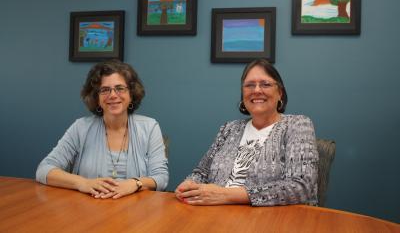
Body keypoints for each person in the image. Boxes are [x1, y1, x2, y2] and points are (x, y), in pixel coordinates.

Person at [175, 59, 318, 206]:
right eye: (249, 85)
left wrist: (226, 195)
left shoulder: (298, 124)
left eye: (265, 84)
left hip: (272, 220)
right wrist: (189, 184)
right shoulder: (229, 128)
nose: (256, 90)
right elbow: (201, 172)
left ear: (280, 93)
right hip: (216, 214)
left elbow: (301, 186)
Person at [36, 60, 168, 199]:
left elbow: (161, 178)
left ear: (131, 94)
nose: (112, 95)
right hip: (89, 212)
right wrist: (83, 183)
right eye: (105, 90)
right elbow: (44, 170)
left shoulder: (149, 127)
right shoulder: (81, 128)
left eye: (120, 88)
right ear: (96, 97)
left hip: (136, 214)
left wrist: (135, 183)